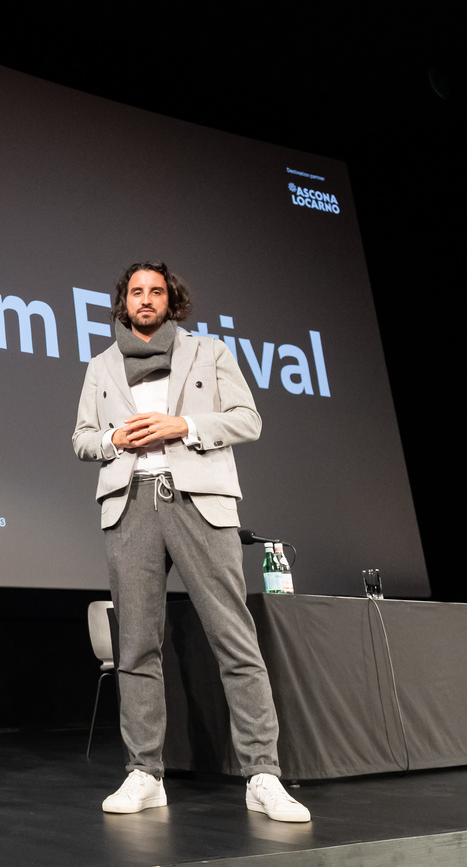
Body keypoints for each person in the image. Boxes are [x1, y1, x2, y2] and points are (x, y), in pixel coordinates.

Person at [72, 261, 309, 822]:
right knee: (135, 645)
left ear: (170, 300)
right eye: (137, 292)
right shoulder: (102, 365)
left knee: (234, 637)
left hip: (198, 499)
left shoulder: (209, 352)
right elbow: (82, 439)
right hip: (130, 503)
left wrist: (186, 427)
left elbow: (248, 419)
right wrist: (112, 436)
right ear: (124, 303)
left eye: (156, 291)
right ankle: (144, 773)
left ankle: (263, 776)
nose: (146, 299)